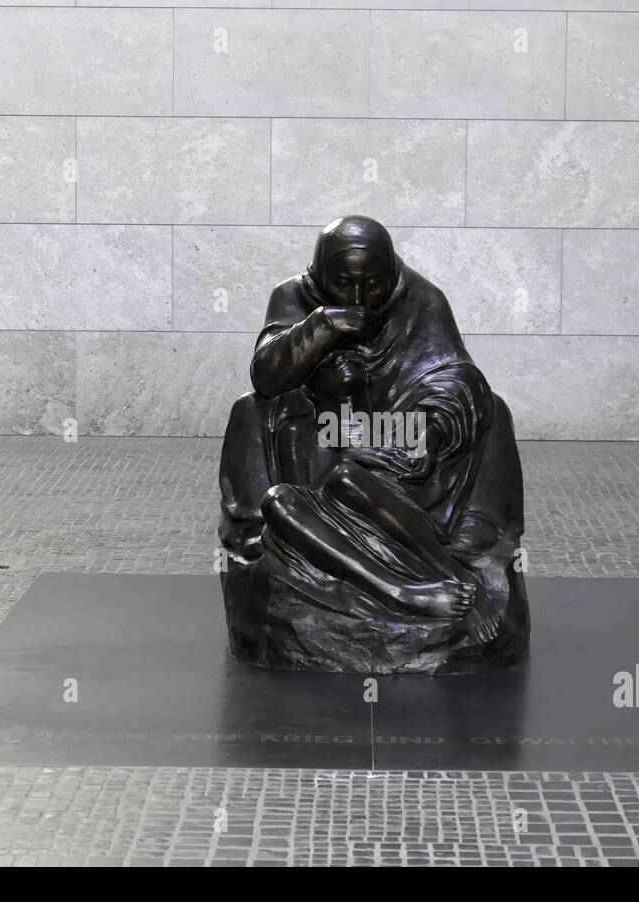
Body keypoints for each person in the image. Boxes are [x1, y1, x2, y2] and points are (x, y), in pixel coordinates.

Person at [218, 215, 526, 665]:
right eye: (343, 284)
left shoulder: (423, 300)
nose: (359, 297)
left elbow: (454, 375)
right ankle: (257, 535)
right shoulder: (294, 297)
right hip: (319, 431)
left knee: (493, 411)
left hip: (396, 432)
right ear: (322, 276)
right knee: (249, 410)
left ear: (392, 274)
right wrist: (324, 326)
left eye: (373, 285)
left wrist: (428, 431)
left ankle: (471, 543)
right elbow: (268, 374)